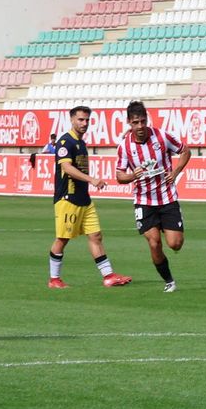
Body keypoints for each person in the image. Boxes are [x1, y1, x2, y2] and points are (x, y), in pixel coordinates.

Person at [48, 104, 131, 289]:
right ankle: (54, 279)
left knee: (96, 236)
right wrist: (92, 179)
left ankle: (108, 276)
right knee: (63, 239)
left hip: (84, 199)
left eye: (87, 120)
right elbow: (67, 167)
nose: (84, 123)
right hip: (68, 199)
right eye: (80, 119)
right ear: (71, 120)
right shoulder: (65, 142)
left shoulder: (81, 142)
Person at [113, 100, 191, 292]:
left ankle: (168, 227)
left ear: (146, 119)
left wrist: (175, 172)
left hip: (167, 197)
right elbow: (120, 176)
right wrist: (133, 175)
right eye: (135, 122)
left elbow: (185, 151)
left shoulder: (162, 136)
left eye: (142, 121)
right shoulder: (124, 146)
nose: (140, 126)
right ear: (129, 123)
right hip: (144, 201)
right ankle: (169, 281)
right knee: (154, 242)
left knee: (175, 244)